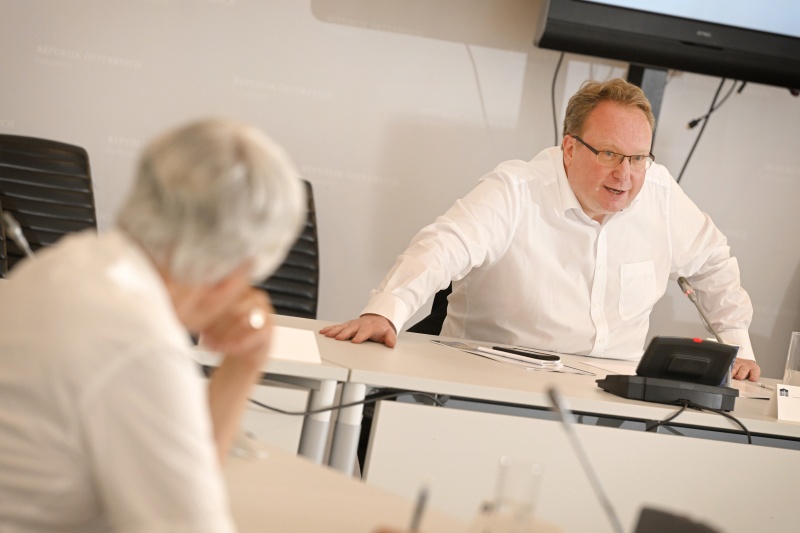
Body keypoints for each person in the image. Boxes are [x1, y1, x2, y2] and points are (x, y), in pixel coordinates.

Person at [321, 78, 760, 381]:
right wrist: (385, 311)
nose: (625, 175)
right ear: (569, 148)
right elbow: (444, 247)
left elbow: (712, 262)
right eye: (608, 154)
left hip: (616, 403)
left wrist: (738, 346)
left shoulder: (659, 193)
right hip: (490, 385)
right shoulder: (517, 189)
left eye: (638, 158)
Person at [0, 118, 306, 531]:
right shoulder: (139, 344)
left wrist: (244, 364)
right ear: (233, 270)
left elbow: (185, 482)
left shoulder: (70, 262)